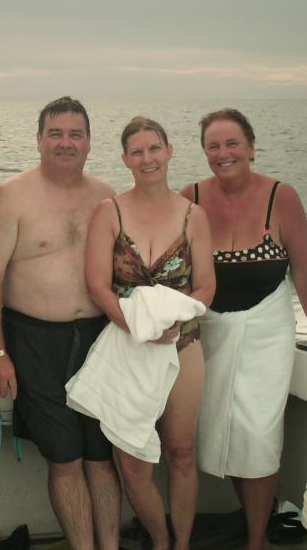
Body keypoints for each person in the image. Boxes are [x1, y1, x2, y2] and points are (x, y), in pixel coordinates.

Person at [182, 108, 307, 550]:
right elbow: (170, 266)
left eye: (232, 143)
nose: (223, 153)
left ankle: (256, 541)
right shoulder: (189, 197)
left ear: (251, 147)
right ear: (204, 153)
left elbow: (305, 271)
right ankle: (255, 524)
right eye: (213, 145)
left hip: (267, 330)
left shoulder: (281, 197)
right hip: (209, 331)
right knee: (220, 431)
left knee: (258, 433)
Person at [0, 97, 121, 550]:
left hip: (101, 341)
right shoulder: (14, 195)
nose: (65, 143)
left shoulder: (107, 197)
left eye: (75, 134)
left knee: (102, 456)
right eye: (55, 133)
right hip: (36, 341)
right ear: (39, 140)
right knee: (64, 458)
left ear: (89, 142)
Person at [84, 117, 215, 550]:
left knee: (181, 455)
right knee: (133, 462)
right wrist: (138, 326)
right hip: (128, 350)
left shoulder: (194, 215)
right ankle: (159, 540)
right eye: (137, 152)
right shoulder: (110, 212)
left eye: (154, 148)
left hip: (185, 348)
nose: (147, 159)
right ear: (125, 159)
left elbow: (206, 286)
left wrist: (174, 324)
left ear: (169, 151)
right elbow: (97, 286)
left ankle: (181, 545)